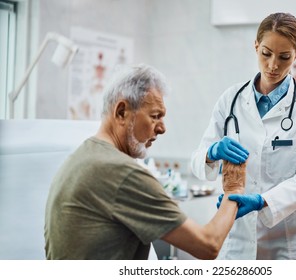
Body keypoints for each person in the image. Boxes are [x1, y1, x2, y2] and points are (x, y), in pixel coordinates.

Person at [44, 64, 245, 260]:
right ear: (121, 112)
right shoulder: (120, 172)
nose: (162, 129)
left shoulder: (81, 156)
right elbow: (208, 246)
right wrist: (234, 190)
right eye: (155, 116)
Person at [191, 12, 296, 260]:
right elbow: (197, 161)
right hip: (239, 242)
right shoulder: (230, 100)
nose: (273, 65)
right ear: (256, 46)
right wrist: (212, 153)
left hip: (290, 243)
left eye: (284, 57)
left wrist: (262, 201)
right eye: (266, 53)